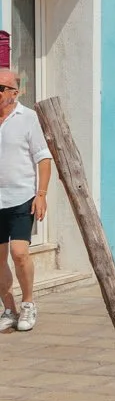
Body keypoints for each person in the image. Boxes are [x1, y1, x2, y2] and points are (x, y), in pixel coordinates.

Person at [0, 71, 50, 332]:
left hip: (21, 198)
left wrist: (41, 195)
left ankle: (28, 303)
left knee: (19, 254)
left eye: (0, 88)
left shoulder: (27, 118)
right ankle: (8, 308)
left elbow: (43, 157)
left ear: (13, 93)